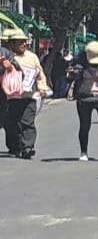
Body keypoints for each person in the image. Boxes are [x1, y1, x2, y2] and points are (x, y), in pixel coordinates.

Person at [1, 26, 46, 159]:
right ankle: (15, 147)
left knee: (28, 122)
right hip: (11, 98)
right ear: (11, 44)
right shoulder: (6, 57)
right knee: (12, 123)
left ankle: (28, 147)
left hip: (28, 96)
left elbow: (40, 74)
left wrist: (42, 87)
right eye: (20, 41)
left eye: (24, 41)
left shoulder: (32, 57)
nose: (23, 44)